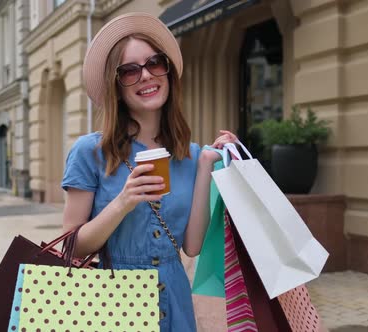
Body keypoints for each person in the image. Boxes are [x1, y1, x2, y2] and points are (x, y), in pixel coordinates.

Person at [61, 12, 237, 331]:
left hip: (176, 300)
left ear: (167, 72)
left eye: (154, 63)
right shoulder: (91, 152)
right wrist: (123, 201)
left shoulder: (191, 155)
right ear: (116, 86)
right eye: (129, 71)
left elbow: (192, 247)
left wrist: (207, 165)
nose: (145, 76)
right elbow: (71, 244)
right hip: (113, 300)